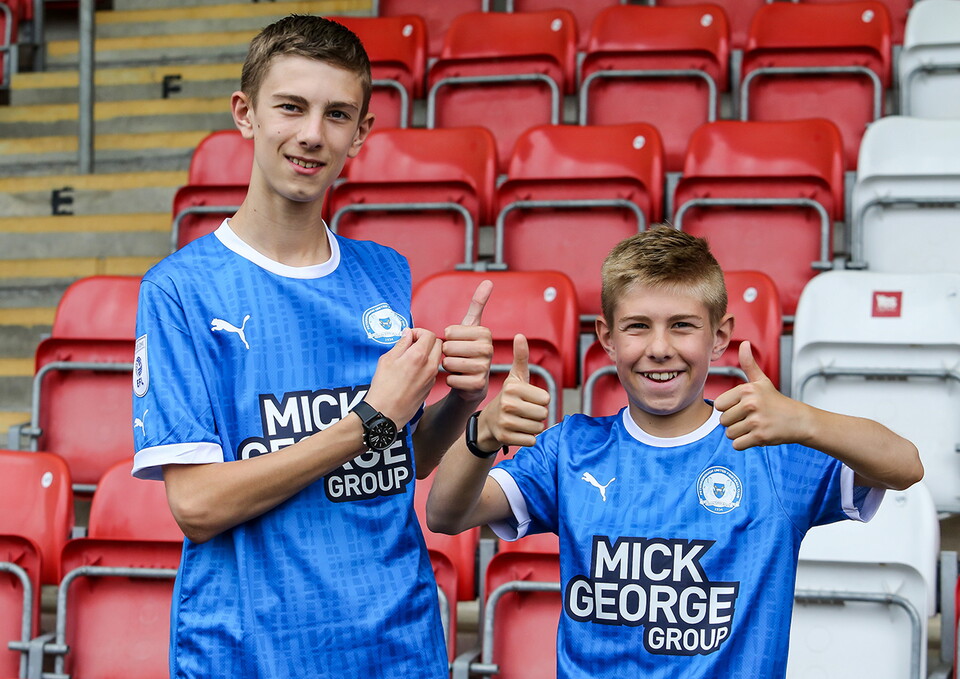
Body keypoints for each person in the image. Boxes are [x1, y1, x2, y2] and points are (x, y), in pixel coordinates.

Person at [131, 15, 494, 678]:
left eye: (337, 115)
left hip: (396, 643)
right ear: (245, 113)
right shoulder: (180, 290)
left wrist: (462, 401)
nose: (311, 134)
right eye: (291, 107)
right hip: (249, 652)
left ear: (361, 132)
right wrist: (368, 419)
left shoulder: (384, 272)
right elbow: (198, 506)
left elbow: (400, 461)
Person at [426, 225, 923, 678]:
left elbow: (905, 466)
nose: (660, 348)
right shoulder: (571, 448)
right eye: (637, 326)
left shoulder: (770, 448)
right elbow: (446, 514)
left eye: (682, 325)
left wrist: (806, 421)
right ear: (607, 338)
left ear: (719, 337)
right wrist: (482, 433)